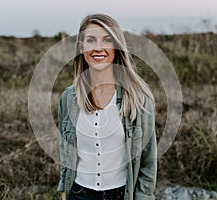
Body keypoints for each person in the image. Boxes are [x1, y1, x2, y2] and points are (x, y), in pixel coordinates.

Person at [57, 13, 157, 200]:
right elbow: (66, 152)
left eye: (106, 40)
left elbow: (148, 162)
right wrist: (64, 192)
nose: (98, 48)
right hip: (78, 194)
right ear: (81, 47)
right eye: (91, 40)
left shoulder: (139, 99)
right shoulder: (68, 98)